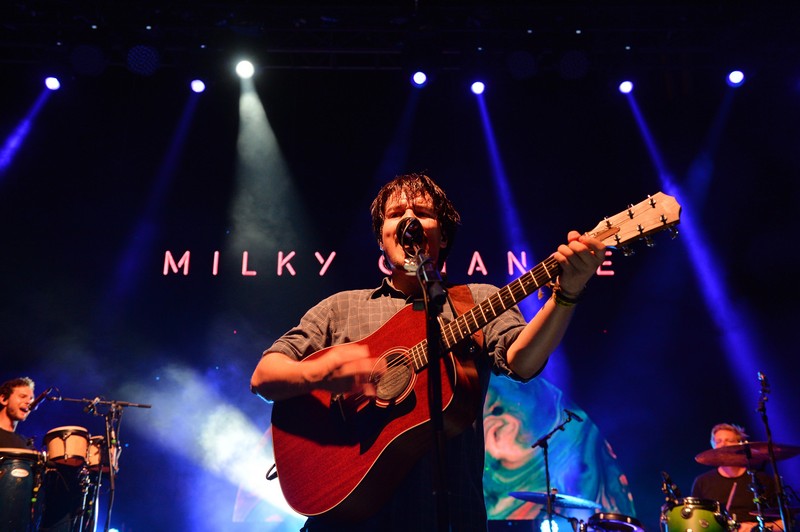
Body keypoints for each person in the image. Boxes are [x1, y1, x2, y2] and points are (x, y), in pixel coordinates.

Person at [250, 172, 606, 531]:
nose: (408, 219)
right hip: (345, 519)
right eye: (395, 213)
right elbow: (264, 376)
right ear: (381, 237)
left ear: (443, 233)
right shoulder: (339, 309)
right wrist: (320, 372)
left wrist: (567, 295)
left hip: (450, 518)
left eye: (421, 212)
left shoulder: (477, 300)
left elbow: (523, 361)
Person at [691, 423, 782, 531]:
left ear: (740, 444)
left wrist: (756, 528)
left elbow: (784, 523)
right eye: (718, 441)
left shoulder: (762, 480)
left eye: (729, 440)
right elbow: (695, 523)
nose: (723, 445)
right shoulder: (702, 482)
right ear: (713, 446)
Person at [0, 376, 36, 448]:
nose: (29, 402)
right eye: (22, 396)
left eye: (31, 399)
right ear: (4, 399)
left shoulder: (26, 444)